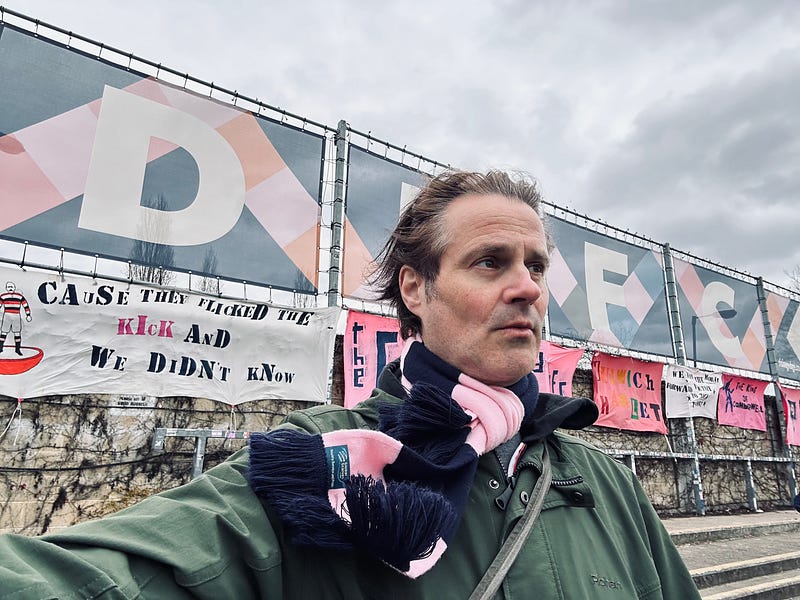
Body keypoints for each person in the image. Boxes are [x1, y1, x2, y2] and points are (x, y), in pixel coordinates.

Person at [0, 170, 700, 599]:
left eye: (536, 266)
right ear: (416, 289)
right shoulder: (324, 457)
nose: (527, 288)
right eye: (491, 262)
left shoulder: (604, 483)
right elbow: (113, 578)